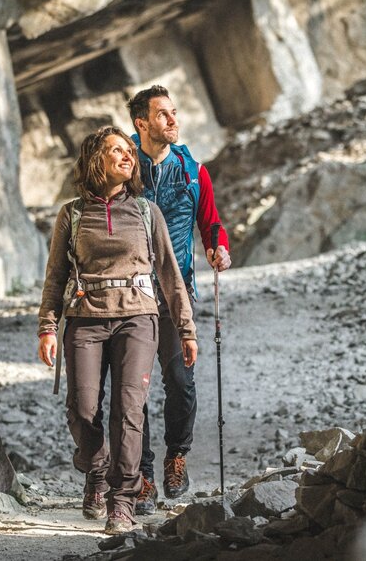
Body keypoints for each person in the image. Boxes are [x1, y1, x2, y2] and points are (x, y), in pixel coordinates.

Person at [37, 126, 197, 533]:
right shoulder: (72, 215)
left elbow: (169, 275)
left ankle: (121, 501)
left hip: (137, 320)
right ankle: (96, 468)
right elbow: (55, 276)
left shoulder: (146, 212)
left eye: (129, 151)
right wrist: (47, 327)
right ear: (96, 160)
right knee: (81, 409)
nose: (128, 157)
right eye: (117, 151)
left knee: (128, 412)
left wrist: (185, 328)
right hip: (85, 319)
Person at [126, 85, 232, 512]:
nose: (173, 121)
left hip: (177, 293)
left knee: (181, 385)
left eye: (174, 113)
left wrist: (218, 247)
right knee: (134, 390)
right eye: (163, 115)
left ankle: (177, 456)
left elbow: (212, 224)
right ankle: (143, 477)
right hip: (129, 296)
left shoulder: (192, 169)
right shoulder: (122, 164)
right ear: (141, 123)